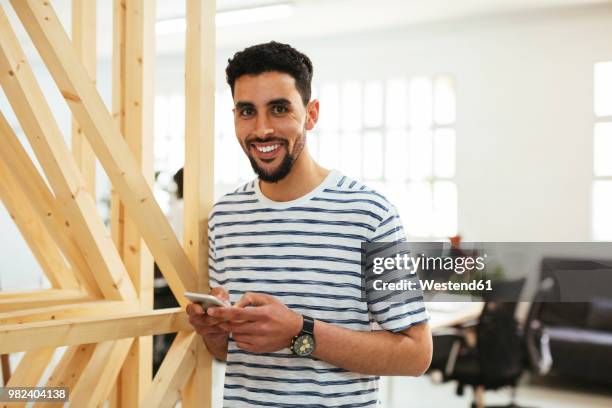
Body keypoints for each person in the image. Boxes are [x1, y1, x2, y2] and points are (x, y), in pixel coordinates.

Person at [186, 41, 432, 407]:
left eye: (279, 109)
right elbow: (226, 353)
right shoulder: (224, 218)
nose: (262, 129)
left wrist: (299, 332)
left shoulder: (370, 214)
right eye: (247, 112)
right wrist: (215, 331)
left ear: (311, 114)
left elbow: (416, 355)